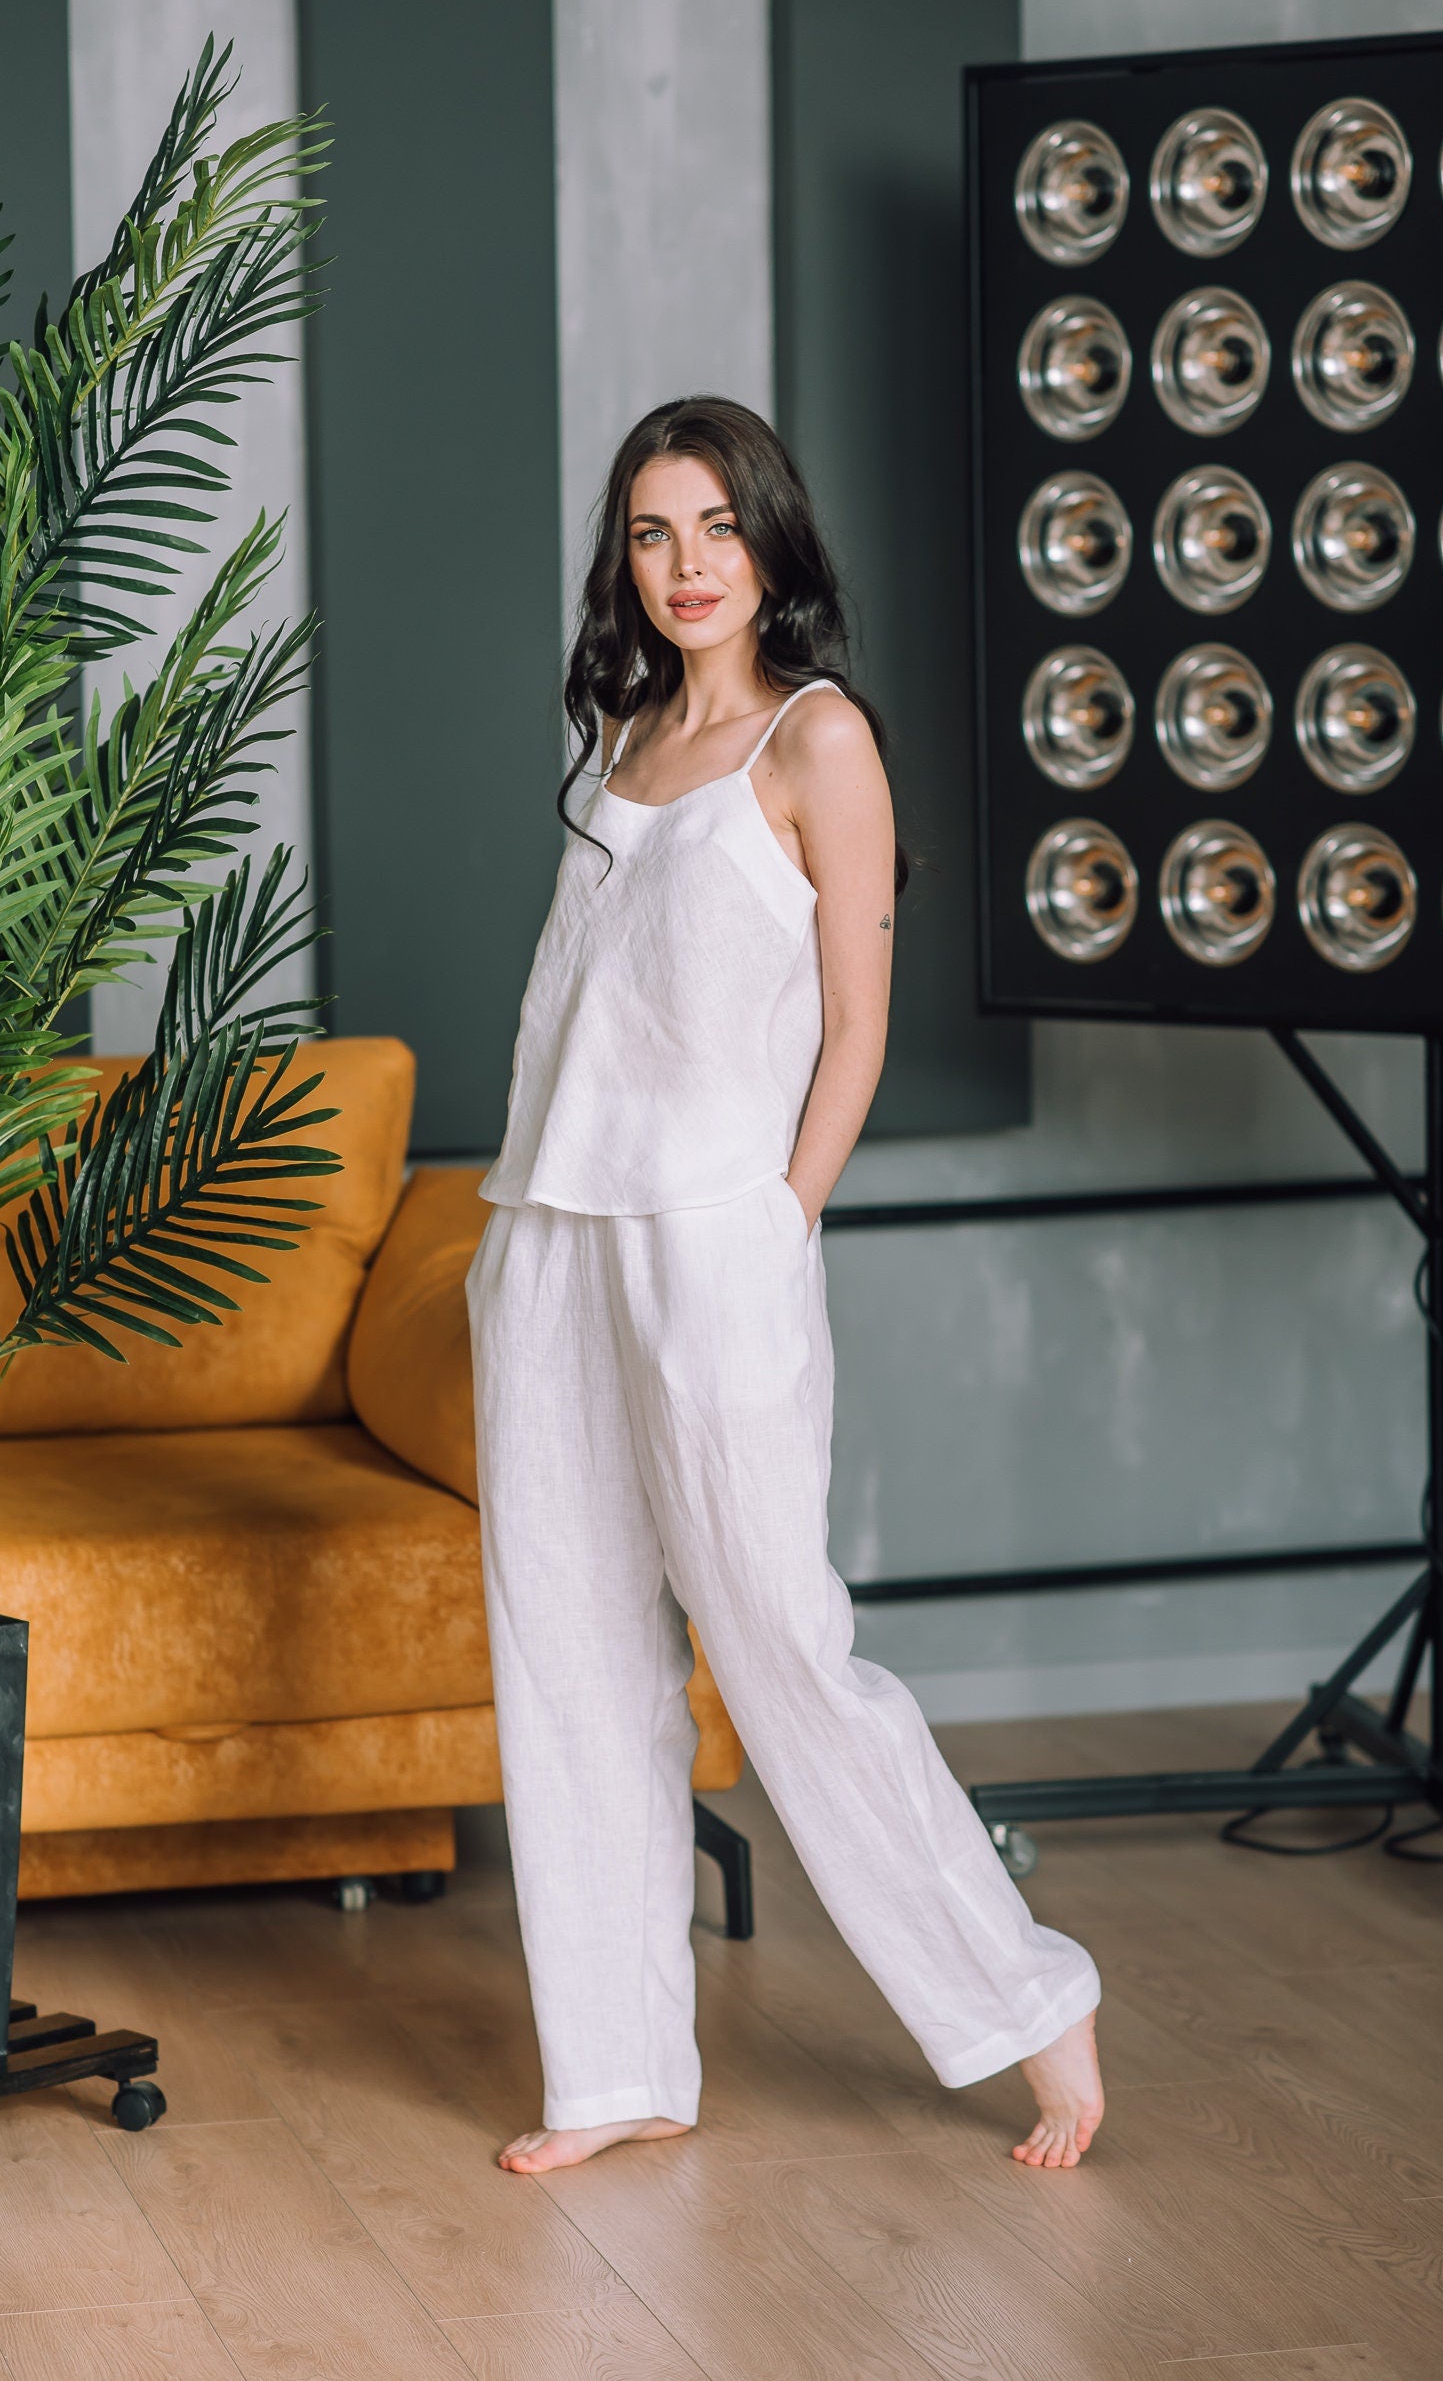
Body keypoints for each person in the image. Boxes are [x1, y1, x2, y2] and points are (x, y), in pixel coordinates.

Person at [465, 395, 1103, 2178]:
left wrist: (783, 1217)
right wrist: (518, 1235)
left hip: (708, 1243)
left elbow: (856, 1024)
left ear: (769, 544)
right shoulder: (616, 744)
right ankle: (615, 2068)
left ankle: (1028, 2002)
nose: (683, 568)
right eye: (652, 535)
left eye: (714, 531)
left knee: (780, 1645)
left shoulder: (818, 743)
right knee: (566, 1653)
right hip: (547, 1239)